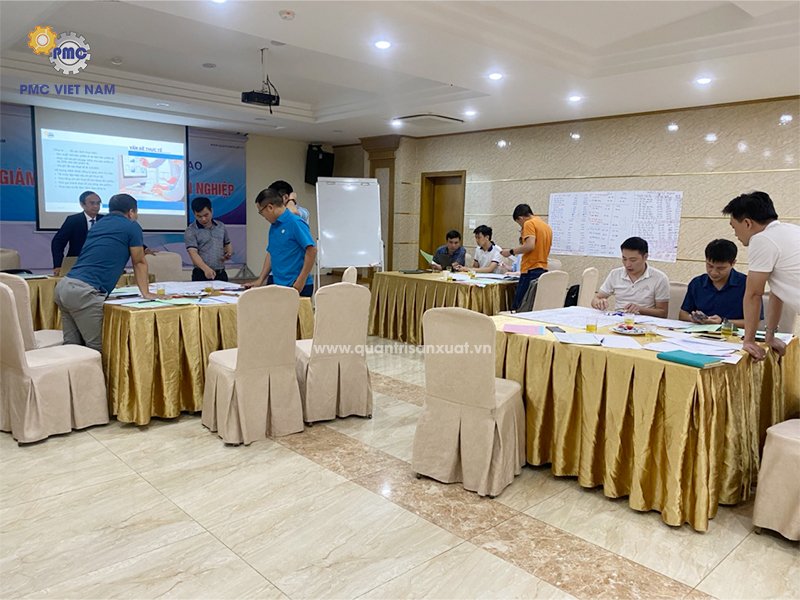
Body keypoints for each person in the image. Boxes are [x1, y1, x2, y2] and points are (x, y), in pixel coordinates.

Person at [54, 194, 155, 352]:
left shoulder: (99, 224)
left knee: (73, 348)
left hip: (64, 287)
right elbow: (139, 261)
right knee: (100, 350)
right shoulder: (132, 226)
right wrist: (146, 293)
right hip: (85, 293)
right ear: (131, 212)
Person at [722, 191, 800, 360]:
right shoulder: (792, 230)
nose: (735, 234)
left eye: (734, 227)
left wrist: (748, 341)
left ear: (747, 223)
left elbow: (753, 294)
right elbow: (777, 292)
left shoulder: (762, 240)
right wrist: (769, 336)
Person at [246, 187, 317, 296]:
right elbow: (271, 253)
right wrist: (260, 280)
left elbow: (312, 250)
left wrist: (301, 281)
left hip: (296, 285)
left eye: (261, 212)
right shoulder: (274, 226)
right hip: (279, 285)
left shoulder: (295, 222)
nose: (263, 216)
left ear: (270, 207)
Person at [679, 239, 759, 329]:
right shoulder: (697, 283)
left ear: (733, 263)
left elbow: (755, 322)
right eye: (710, 266)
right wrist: (694, 319)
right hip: (698, 333)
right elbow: (683, 314)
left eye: (721, 268)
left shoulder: (747, 284)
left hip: (732, 334)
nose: (714, 272)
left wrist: (722, 322)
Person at [591, 236, 669, 317]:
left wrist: (640, 309)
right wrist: (598, 302)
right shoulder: (615, 274)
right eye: (624, 259)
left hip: (645, 321)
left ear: (645, 257)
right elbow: (596, 298)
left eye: (633, 260)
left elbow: (663, 313)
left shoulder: (660, 278)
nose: (627, 264)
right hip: (618, 319)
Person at [500, 204, 553, 309]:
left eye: (519, 224)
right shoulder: (546, 226)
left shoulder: (529, 223)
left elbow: (530, 245)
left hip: (530, 270)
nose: (521, 228)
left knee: (519, 306)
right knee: (532, 306)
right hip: (542, 269)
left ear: (520, 218)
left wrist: (510, 252)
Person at [51, 190, 104, 275]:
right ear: (82, 204)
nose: (96, 206)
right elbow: (58, 242)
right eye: (92, 203)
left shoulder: (105, 220)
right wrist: (58, 265)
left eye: (98, 203)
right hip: (76, 263)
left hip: (101, 263)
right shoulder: (73, 220)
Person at [184, 196, 232, 282]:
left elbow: (227, 243)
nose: (203, 219)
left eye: (206, 215)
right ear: (194, 214)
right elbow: (193, 253)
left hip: (220, 273)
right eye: (199, 216)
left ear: (211, 211)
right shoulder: (191, 230)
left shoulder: (220, 226)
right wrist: (206, 269)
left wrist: (228, 253)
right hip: (201, 274)